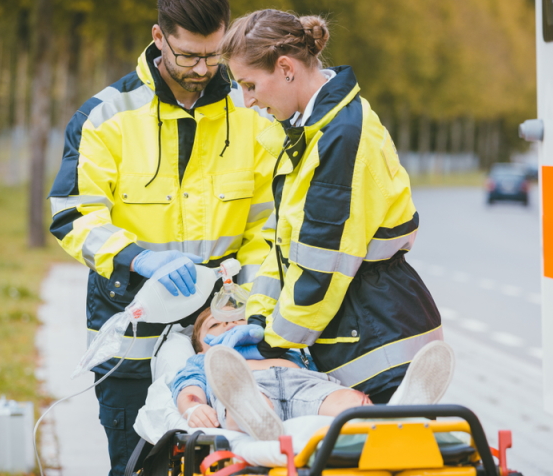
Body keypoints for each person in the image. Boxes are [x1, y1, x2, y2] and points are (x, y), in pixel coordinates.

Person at [46, 0, 274, 472]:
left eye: (214, 55)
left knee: (231, 463)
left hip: (222, 330)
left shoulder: (253, 112)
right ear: (158, 38)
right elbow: (73, 214)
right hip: (132, 326)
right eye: (188, 55)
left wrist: (245, 299)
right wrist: (137, 258)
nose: (203, 69)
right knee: (136, 464)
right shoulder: (105, 115)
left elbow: (268, 226)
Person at [215, 10, 444, 403]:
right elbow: (286, 248)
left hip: (378, 346)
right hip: (361, 332)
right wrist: (257, 318)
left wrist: (272, 342)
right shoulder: (312, 131)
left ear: (286, 68)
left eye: (250, 85)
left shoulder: (340, 137)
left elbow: (322, 267)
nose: (248, 101)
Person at [171, 309, 455, 440]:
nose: (231, 324)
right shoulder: (205, 360)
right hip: (245, 388)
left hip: (303, 384)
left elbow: (315, 370)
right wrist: (194, 407)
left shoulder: (284, 349)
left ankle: (397, 414)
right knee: (244, 403)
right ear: (199, 343)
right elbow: (189, 389)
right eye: (216, 325)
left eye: (238, 319)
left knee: (348, 402)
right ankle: (255, 418)